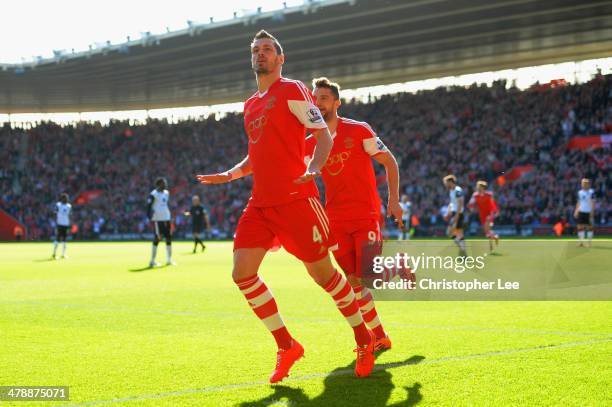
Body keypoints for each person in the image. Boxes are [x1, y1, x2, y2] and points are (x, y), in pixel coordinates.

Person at [196, 30, 375, 383]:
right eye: (256, 50)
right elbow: (256, 152)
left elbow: (322, 134)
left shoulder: (292, 90)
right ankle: (287, 345)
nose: (260, 54)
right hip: (261, 204)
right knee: (241, 273)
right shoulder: (250, 104)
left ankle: (363, 336)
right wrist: (231, 175)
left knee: (324, 277)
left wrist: (313, 168)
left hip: (297, 201)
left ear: (280, 59)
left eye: (267, 50)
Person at [305, 77, 404, 351]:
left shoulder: (358, 131)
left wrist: (393, 199)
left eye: (323, 98)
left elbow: (389, 161)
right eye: (314, 98)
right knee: (354, 282)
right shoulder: (309, 142)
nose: (318, 103)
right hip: (335, 220)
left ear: (337, 102)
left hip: (365, 214)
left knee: (367, 276)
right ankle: (380, 336)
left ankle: (398, 267)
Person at [147, 177, 175, 267]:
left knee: (168, 238)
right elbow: (148, 206)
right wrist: (149, 217)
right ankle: (152, 261)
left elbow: (165, 205)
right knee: (157, 239)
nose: (165, 185)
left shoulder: (166, 193)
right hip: (158, 219)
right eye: (163, 183)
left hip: (167, 218)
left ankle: (169, 260)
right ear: (158, 184)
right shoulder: (153, 194)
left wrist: (170, 216)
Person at [468, 180, 499, 251]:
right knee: (487, 231)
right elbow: (470, 203)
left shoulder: (489, 194)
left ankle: (491, 246)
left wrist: (496, 212)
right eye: (477, 187)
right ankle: (495, 237)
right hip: (482, 214)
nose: (478, 188)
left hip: (489, 213)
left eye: (479, 187)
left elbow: (493, 204)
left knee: (487, 227)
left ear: (483, 187)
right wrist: (471, 208)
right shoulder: (475, 195)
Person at [443, 175, 467, 256]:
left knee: (451, 232)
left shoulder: (458, 190)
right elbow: (452, 203)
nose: (445, 185)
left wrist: (457, 215)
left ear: (450, 182)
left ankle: (462, 250)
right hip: (455, 213)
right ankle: (463, 249)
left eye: (446, 183)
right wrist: (448, 212)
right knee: (457, 233)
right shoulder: (451, 191)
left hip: (458, 213)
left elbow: (461, 204)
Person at [574, 178, 595, 247]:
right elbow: (579, 202)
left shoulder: (591, 192)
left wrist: (592, 212)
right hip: (581, 211)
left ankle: (589, 242)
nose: (584, 184)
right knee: (580, 227)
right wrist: (576, 211)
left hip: (588, 212)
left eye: (585, 183)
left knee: (589, 227)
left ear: (588, 184)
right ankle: (581, 242)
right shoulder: (580, 192)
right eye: (583, 183)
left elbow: (593, 202)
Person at [52, 193, 71, 259]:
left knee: (64, 239)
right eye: (65, 198)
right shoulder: (58, 205)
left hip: (66, 224)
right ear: (62, 198)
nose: (66, 199)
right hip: (60, 224)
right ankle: (54, 253)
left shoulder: (69, 206)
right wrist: (56, 218)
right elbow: (54, 212)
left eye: (66, 198)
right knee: (58, 238)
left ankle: (63, 254)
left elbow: (70, 214)